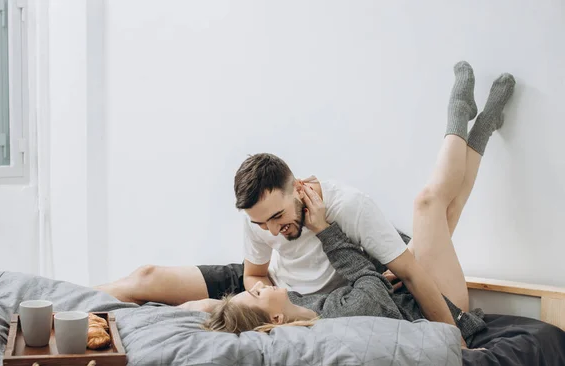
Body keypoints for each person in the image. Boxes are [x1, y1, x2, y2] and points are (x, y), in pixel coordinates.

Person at [96, 61, 514, 345]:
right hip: (391, 295)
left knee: (430, 206)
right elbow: (252, 279)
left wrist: (453, 341)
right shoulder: (276, 255)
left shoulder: (348, 206)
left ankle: (462, 115)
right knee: (442, 213)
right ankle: (480, 129)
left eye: (278, 217)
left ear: (297, 188)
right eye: (262, 224)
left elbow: (411, 275)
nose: (273, 231)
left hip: (421, 293)